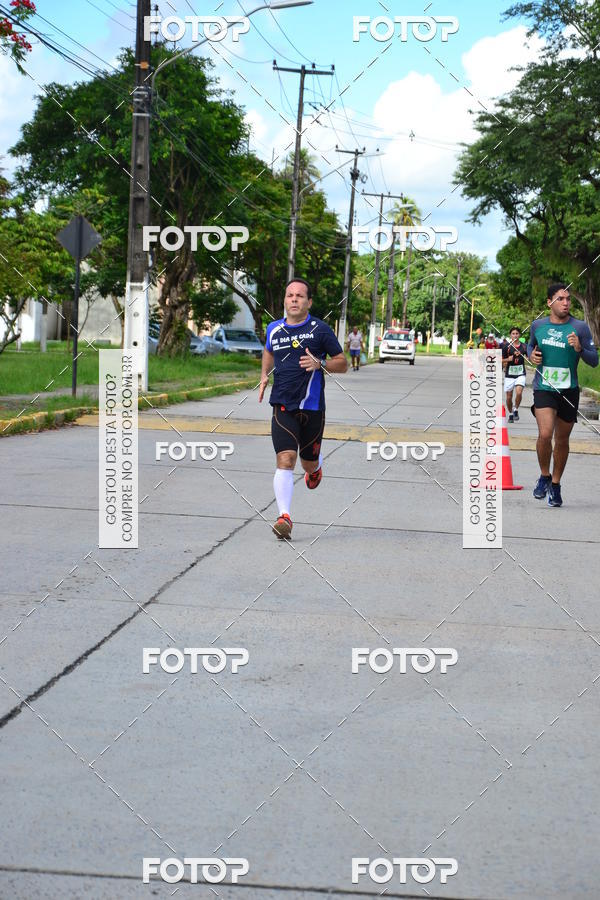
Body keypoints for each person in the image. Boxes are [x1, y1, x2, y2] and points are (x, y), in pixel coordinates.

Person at [259, 278, 348, 538]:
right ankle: (284, 516)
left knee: (307, 464)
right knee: (286, 459)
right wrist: (265, 374)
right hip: (283, 406)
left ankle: (315, 469)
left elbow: (343, 363)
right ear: (284, 300)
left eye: (299, 296)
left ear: (308, 302)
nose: (294, 299)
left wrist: (321, 363)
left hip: (312, 409)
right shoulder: (274, 328)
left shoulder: (320, 329)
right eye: (289, 295)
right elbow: (268, 350)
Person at [527, 283, 598, 506]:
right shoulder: (537, 325)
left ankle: (555, 485)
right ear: (549, 302)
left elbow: (594, 360)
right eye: (561, 299)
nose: (566, 302)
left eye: (568, 299)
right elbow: (530, 347)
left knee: (562, 439)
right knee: (545, 434)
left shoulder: (580, 328)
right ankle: (544, 475)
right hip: (544, 388)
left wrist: (579, 348)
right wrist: (532, 357)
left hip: (569, 390)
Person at [502, 327, 527, 423]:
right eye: (513, 333)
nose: (515, 335)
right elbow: (499, 359)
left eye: (517, 333)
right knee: (509, 397)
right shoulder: (506, 347)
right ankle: (511, 413)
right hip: (509, 374)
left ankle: (516, 409)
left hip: (520, 373)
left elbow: (529, 357)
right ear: (510, 335)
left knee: (519, 392)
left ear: (519, 335)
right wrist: (507, 359)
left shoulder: (524, 346)